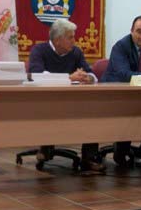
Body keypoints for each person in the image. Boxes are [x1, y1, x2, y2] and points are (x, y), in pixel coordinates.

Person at [28, 18, 105, 172]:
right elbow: (38, 75)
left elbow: (93, 75)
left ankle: (89, 158)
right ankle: (45, 148)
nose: (74, 40)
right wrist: (69, 78)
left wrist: (87, 77)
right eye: (70, 37)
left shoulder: (75, 52)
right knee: (50, 110)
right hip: (44, 101)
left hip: (73, 100)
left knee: (92, 112)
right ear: (57, 40)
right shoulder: (39, 50)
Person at [101, 15, 141, 169]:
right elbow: (124, 74)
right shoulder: (121, 46)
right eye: (138, 31)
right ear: (131, 31)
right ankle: (121, 152)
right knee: (129, 110)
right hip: (116, 93)